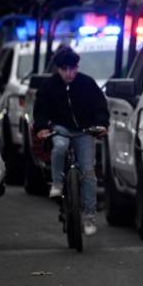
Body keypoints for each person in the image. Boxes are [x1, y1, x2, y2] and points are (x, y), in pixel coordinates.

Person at [32, 46, 109, 236]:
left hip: (85, 130)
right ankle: (57, 182)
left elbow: (100, 106)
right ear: (58, 69)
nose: (69, 73)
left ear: (77, 67)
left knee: (88, 172)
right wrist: (42, 127)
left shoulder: (87, 83)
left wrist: (101, 124)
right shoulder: (49, 86)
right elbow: (40, 109)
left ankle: (89, 216)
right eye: (65, 69)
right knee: (59, 146)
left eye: (73, 68)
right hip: (60, 128)